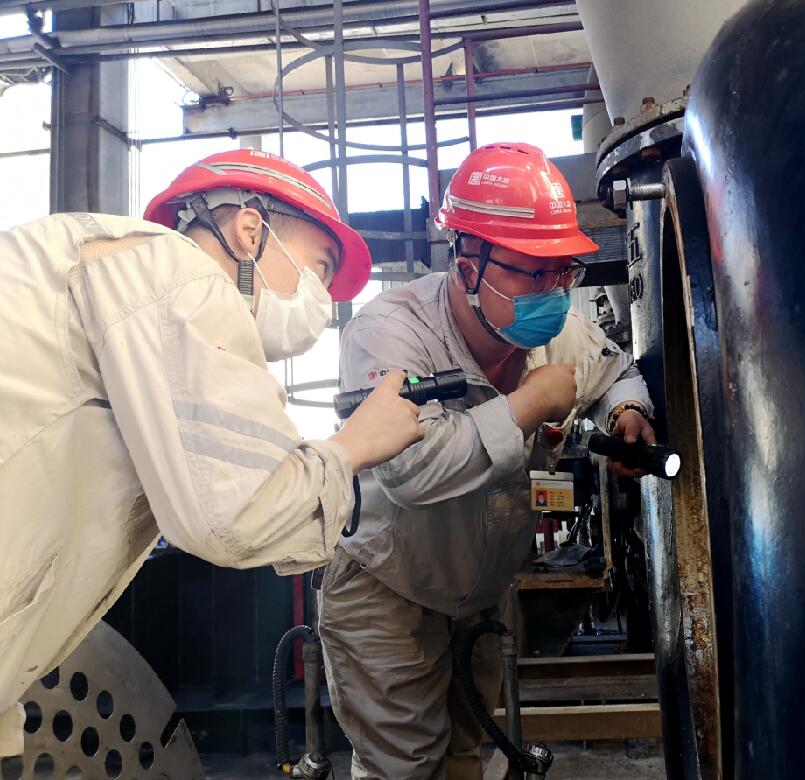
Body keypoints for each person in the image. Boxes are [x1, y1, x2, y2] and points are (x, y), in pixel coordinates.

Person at [0, 149, 423, 757]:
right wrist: (353, 446)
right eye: (319, 268)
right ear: (251, 231)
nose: (323, 300)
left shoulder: (112, 266)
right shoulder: (181, 275)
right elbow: (234, 514)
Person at [318, 142, 655, 778]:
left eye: (563, 272)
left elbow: (615, 370)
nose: (553, 292)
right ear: (467, 263)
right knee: (403, 768)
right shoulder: (390, 332)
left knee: (464, 760)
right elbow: (414, 470)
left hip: (479, 596)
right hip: (390, 589)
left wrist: (625, 412)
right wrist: (531, 403)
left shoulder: (555, 329)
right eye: (534, 272)